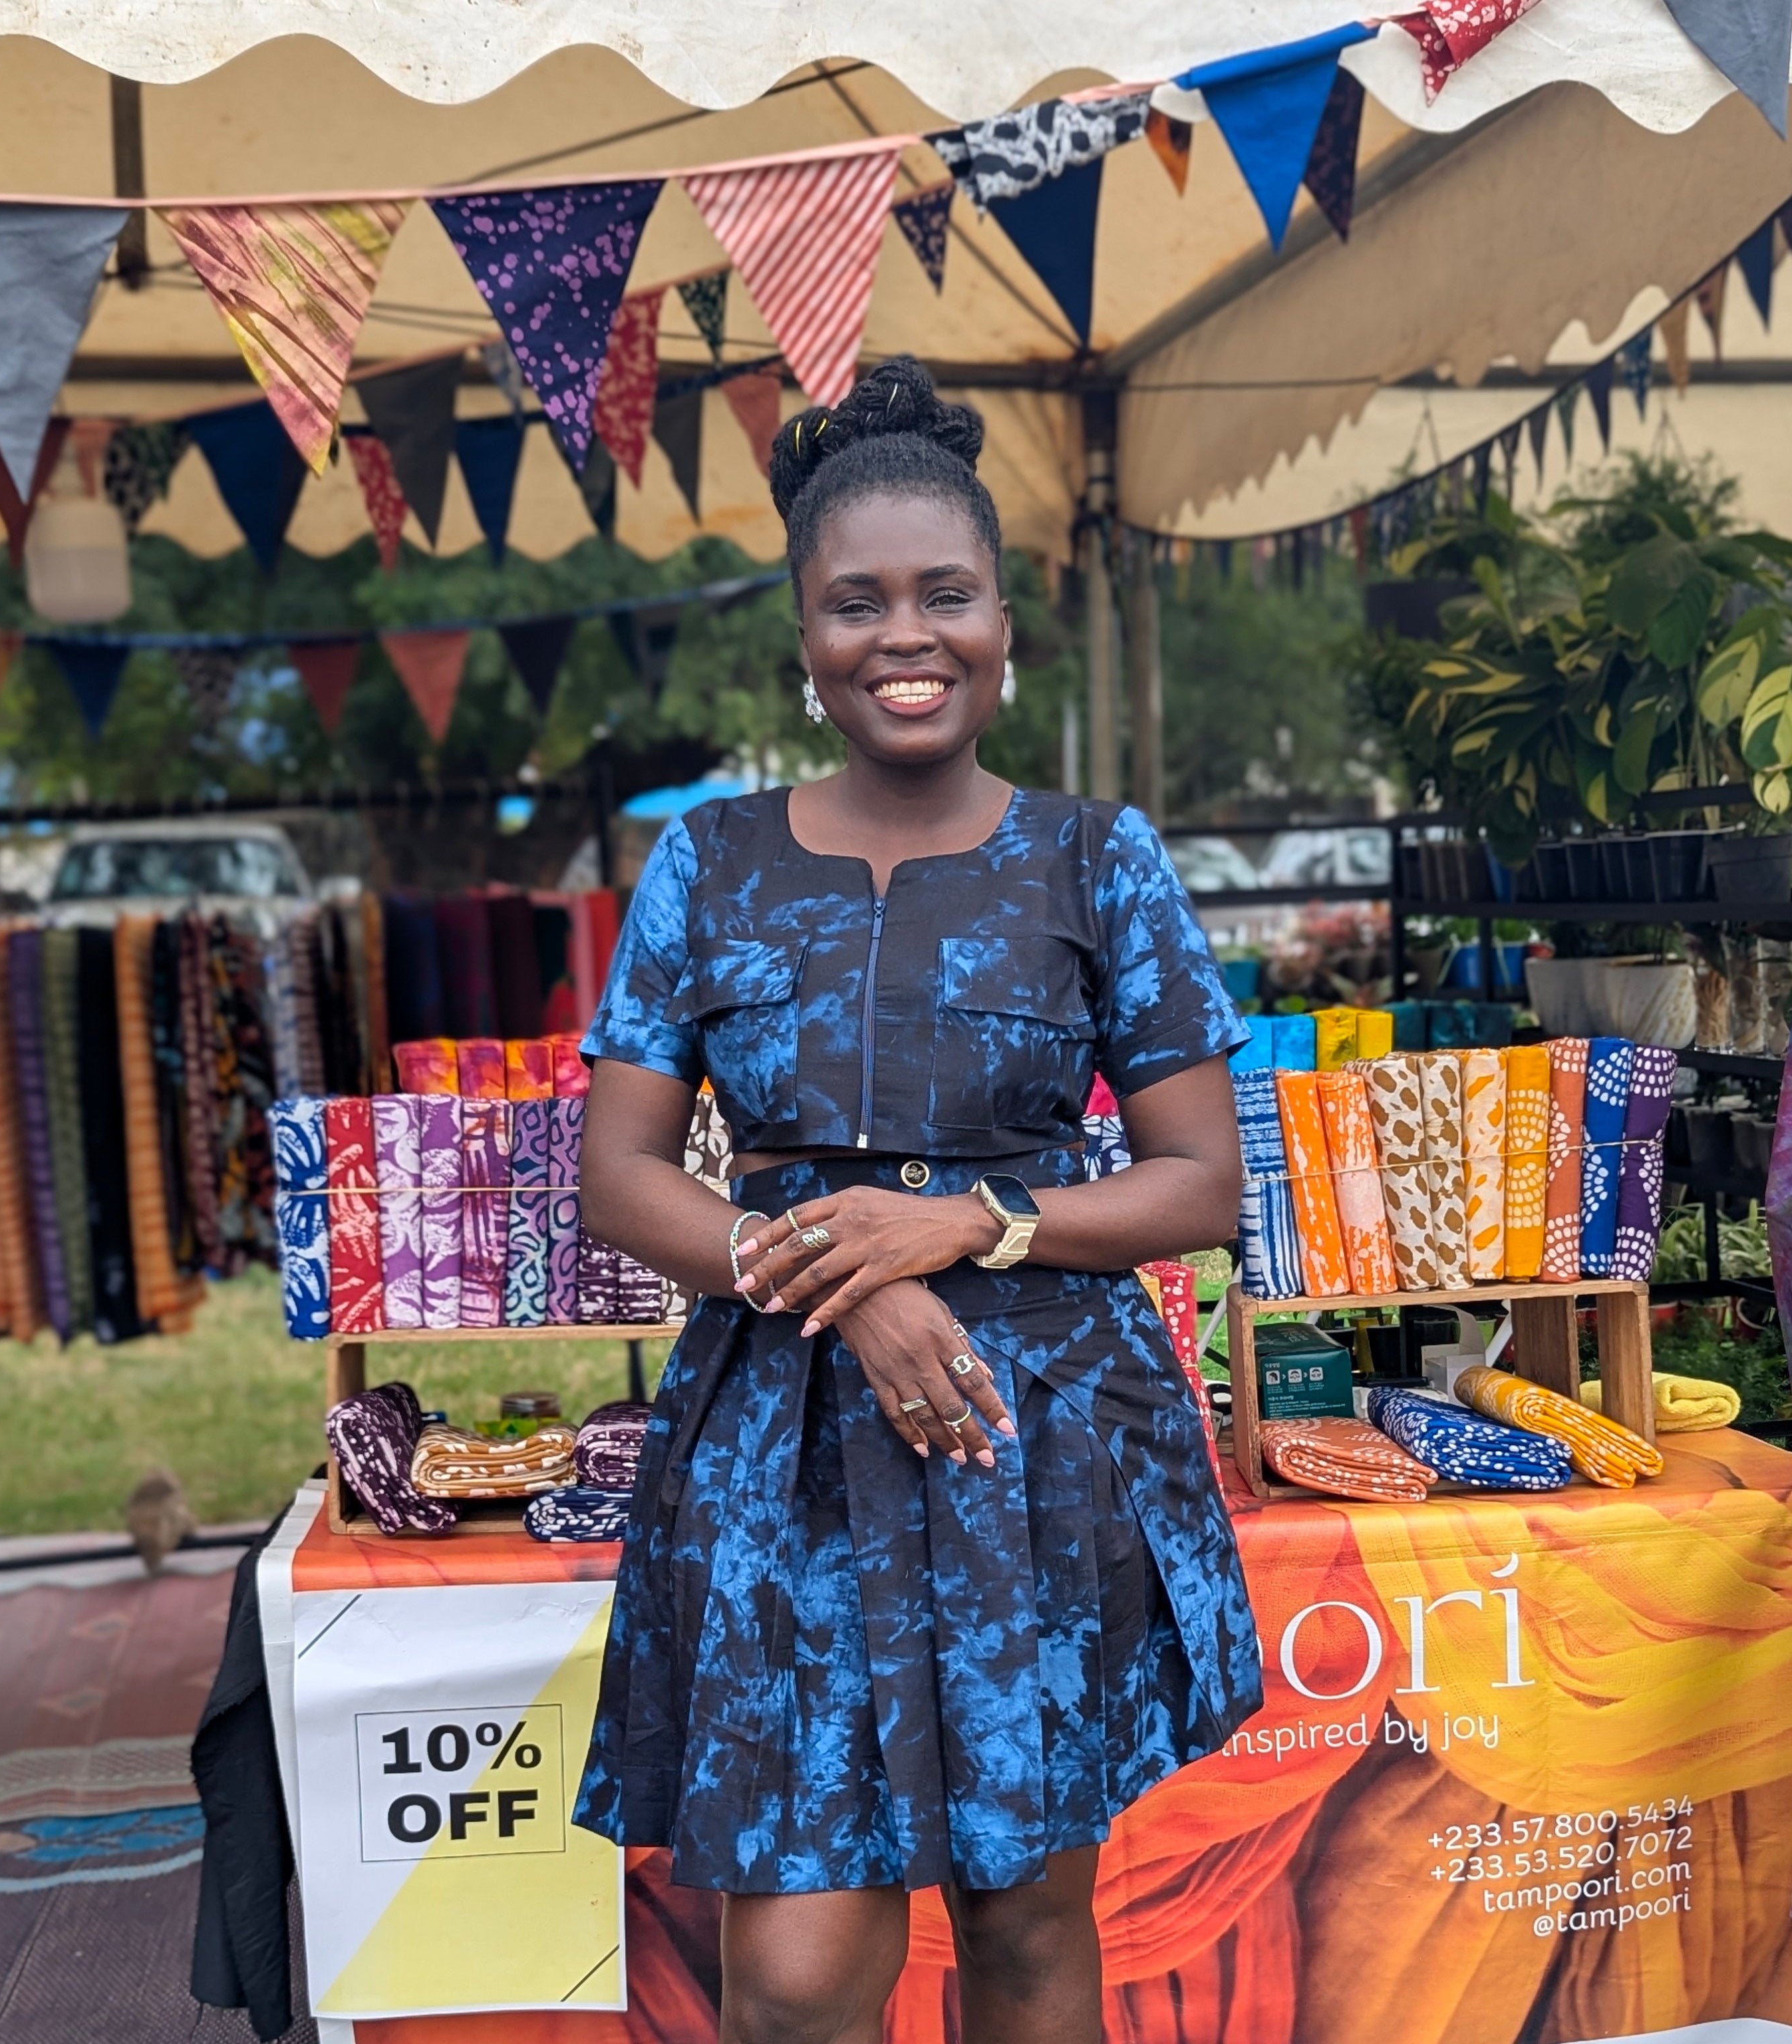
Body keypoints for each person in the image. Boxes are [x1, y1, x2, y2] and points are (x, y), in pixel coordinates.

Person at [570, 356, 1263, 2044]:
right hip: (781, 1454)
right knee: (794, 1983)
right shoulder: (708, 864)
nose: (906, 634)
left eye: (946, 595)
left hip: (1030, 1439)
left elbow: (1205, 1184)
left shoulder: (1099, 859)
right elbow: (617, 1175)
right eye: (855, 601)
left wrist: (969, 1226)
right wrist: (831, 1273)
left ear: (1005, 624)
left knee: (1027, 1926)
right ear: (804, 641)